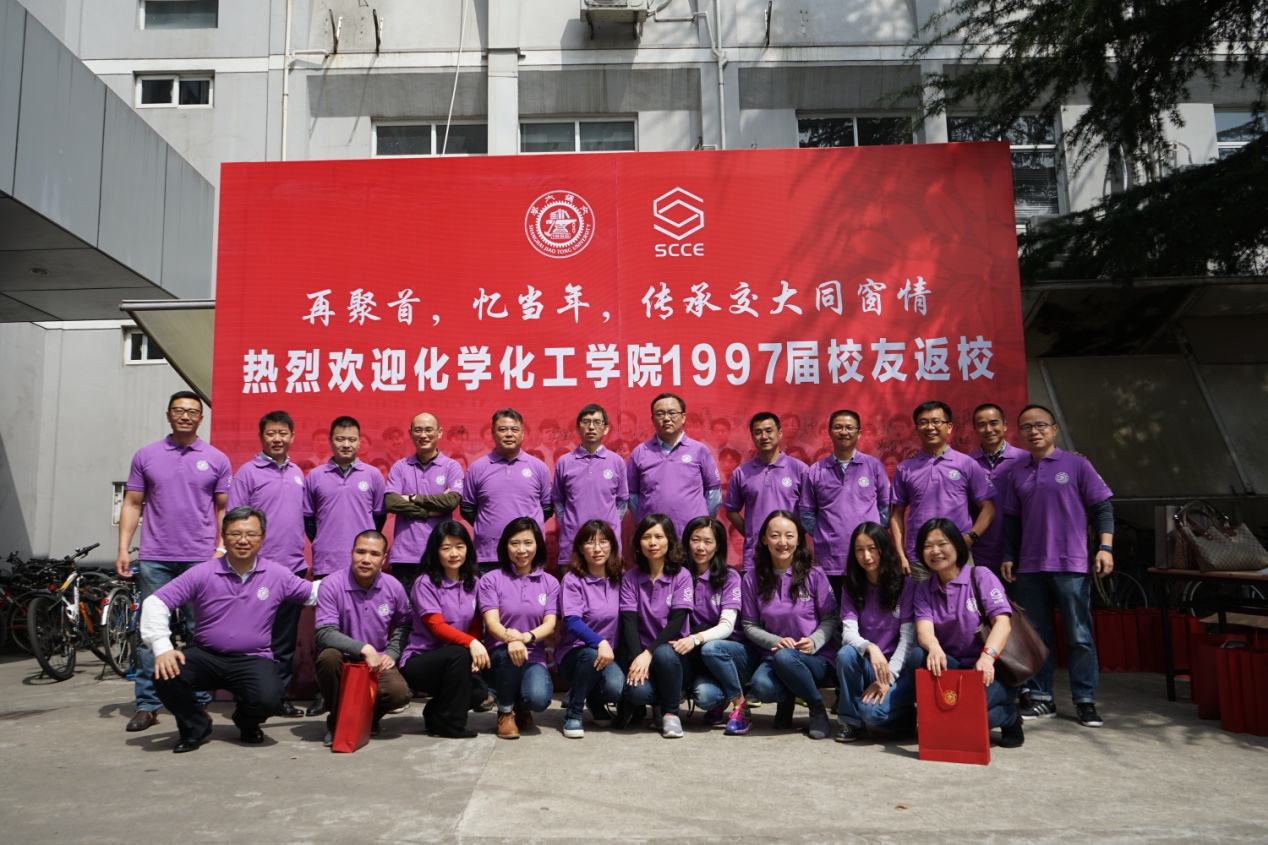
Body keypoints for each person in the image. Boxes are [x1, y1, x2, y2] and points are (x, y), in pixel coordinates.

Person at [141, 507, 319, 752]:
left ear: (262, 538)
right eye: (235, 534)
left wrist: (355, 578)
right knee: (166, 673)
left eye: (251, 534)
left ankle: (246, 722)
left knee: (271, 698)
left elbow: (315, 594)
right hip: (206, 655)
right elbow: (156, 602)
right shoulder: (202, 572)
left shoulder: (277, 574)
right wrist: (162, 647)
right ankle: (196, 726)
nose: (243, 540)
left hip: (253, 658)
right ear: (224, 537)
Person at [116, 390, 231, 733]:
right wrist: (123, 549)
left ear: (201, 418)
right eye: (179, 410)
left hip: (200, 559)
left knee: (200, 631)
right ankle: (147, 704)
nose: (185, 416)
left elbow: (223, 508)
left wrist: (221, 548)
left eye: (192, 411)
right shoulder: (146, 456)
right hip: (156, 558)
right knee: (151, 632)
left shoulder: (216, 458)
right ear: (168, 415)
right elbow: (132, 503)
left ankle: (197, 699)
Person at [1001, 404, 1114, 727]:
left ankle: (1085, 700)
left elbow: (1102, 508)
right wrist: (1008, 556)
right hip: (1030, 567)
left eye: (1040, 425)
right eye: (1026, 427)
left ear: (1054, 429)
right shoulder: (1018, 471)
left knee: (1079, 636)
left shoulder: (1077, 465)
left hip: (1071, 565)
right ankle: (1041, 698)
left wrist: (1105, 547)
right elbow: (1012, 522)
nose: (1034, 431)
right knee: (1037, 637)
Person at [913, 517, 1023, 748]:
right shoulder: (924, 590)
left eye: (942, 543)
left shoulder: (980, 576)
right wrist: (933, 647)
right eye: (927, 546)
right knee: (918, 656)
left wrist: (987, 657)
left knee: (968, 716)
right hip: (954, 668)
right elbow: (924, 630)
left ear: (957, 545)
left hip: (992, 671)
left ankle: (1010, 716)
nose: (935, 551)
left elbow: (1002, 622)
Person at [226, 410, 308, 718]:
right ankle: (248, 698)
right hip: (256, 571)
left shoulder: (298, 473)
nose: (277, 438)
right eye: (271, 433)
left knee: (284, 642)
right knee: (252, 640)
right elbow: (234, 523)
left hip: (292, 569)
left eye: (283, 433)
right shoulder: (247, 473)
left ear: (292, 436)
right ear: (261, 436)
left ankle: (280, 698)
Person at [302, 415, 386, 717]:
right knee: (326, 630)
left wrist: (363, 550)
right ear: (330, 441)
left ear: (360, 442)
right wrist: (327, 541)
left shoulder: (373, 475)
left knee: (366, 627)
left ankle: (371, 686)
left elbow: (378, 519)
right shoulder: (315, 476)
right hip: (328, 563)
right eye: (340, 439)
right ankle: (324, 694)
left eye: (352, 439)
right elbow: (309, 521)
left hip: (365, 565)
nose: (346, 444)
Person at [742, 510, 839, 740]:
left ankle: (816, 708)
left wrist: (814, 641)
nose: (782, 542)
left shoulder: (814, 574)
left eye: (789, 535)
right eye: (775, 535)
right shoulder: (752, 578)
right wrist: (775, 641)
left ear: (798, 539)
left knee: (786, 658)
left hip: (814, 658)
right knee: (761, 686)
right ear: (764, 539)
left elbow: (830, 618)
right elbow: (749, 624)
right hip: (774, 656)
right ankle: (785, 701)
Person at [313, 530, 412, 746]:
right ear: (351, 553)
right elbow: (324, 632)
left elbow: (405, 624)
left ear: (383, 559)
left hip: (377, 662)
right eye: (361, 552)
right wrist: (364, 648)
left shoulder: (393, 586)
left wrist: (392, 653)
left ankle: (367, 719)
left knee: (398, 693)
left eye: (374, 554)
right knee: (328, 657)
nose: (366, 559)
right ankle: (337, 722)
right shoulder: (331, 584)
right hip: (343, 658)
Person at [398, 521, 489, 738]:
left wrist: (473, 648)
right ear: (435, 551)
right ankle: (450, 725)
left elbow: (476, 623)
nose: (454, 553)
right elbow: (437, 626)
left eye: (459, 546)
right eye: (446, 548)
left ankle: (434, 715)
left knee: (478, 692)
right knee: (458, 653)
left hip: (456, 660)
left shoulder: (474, 582)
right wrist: (471, 644)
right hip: (421, 660)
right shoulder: (425, 583)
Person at [889, 401, 995, 581]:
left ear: (949, 427)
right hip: (919, 558)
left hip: (958, 555)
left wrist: (969, 538)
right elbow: (896, 514)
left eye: (936, 422)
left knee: (964, 599)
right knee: (922, 600)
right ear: (916, 428)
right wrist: (901, 554)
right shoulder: (905, 468)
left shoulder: (966, 463)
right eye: (923, 422)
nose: (930, 427)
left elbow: (988, 509)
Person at [834, 522, 918, 742]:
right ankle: (851, 722)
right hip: (871, 663)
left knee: (872, 713)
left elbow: (908, 640)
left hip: (899, 670)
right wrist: (870, 647)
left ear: (884, 548)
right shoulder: (851, 586)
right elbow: (848, 633)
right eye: (859, 550)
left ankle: (906, 717)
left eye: (872, 548)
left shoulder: (906, 585)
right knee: (846, 653)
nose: (866, 556)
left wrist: (887, 677)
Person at [478, 518, 560, 739]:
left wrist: (523, 637)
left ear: (537, 545)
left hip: (532, 655)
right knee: (510, 654)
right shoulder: (491, 579)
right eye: (515, 543)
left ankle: (521, 706)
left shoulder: (550, 583)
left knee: (539, 700)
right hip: (499, 655)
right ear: (505, 546)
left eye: (528, 543)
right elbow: (492, 623)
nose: (521, 550)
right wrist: (511, 640)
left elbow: (550, 624)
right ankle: (505, 712)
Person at [673, 516, 753, 735]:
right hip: (698, 655)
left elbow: (727, 626)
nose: (701, 547)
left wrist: (695, 639)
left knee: (712, 648)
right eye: (695, 540)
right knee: (705, 696)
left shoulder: (729, 577)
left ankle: (741, 706)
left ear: (717, 546)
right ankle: (719, 699)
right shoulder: (679, 576)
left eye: (708, 541)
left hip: (730, 653)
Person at [800, 409, 892, 596]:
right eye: (838, 427)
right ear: (829, 432)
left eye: (849, 427)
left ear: (859, 433)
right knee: (832, 608)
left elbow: (885, 507)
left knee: (867, 606)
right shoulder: (816, 471)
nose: (844, 432)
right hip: (830, 558)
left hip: (868, 558)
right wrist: (825, 535)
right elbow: (806, 513)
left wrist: (873, 537)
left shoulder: (874, 466)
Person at [618, 513, 694, 738]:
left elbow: (677, 621)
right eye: (646, 537)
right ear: (638, 542)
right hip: (642, 654)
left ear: (669, 540)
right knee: (637, 693)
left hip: (673, 657)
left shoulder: (682, 576)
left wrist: (649, 653)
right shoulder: (630, 578)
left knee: (664, 654)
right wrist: (638, 658)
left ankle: (671, 714)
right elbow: (629, 621)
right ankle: (658, 702)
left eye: (659, 537)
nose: (653, 543)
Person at [460, 409, 553, 575]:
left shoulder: (539, 468)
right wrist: (488, 524)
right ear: (493, 433)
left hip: (528, 555)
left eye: (514, 429)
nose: (509, 434)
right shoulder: (477, 468)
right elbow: (467, 508)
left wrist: (526, 529)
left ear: (522, 433)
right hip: (490, 555)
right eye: (503, 429)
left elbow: (547, 507)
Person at [555, 520, 624, 738]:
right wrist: (600, 642)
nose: (597, 549)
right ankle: (574, 713)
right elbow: (572, 621)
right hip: (575, 656)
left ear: (612, 546)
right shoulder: (573, 580)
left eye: (603, 542)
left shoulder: (620, 578)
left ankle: (595, 700)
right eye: (590, 543)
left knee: (616, 688)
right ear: (580, 548)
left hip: (608, 656)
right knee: (590, 654)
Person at [626, 393, 721, 548]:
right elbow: (633, 497)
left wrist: (702, 524)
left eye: (672, 413)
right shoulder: (640, 452)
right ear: (652, 419)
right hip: (654, 540)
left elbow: (713, 494)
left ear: (683, 417)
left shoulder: (699, 450)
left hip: (693, 538)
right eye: (660, 414)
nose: (666, 418)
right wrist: (645, 524)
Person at [384, 412, 464, 594]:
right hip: (405, 557)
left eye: (429, 430)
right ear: (410, 433)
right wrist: (427, 513)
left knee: (439, 608)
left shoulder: (451, 467)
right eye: (418, 430)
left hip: (441, 555)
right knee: (405, 610)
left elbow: (451, 501)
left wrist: (412, 498)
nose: (423, 435)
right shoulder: (400, 467)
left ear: (439, 432)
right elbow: (391, 502)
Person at [723, 412, 809, 571]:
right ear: (752, 436)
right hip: (755, 556)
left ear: (780, 433)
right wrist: (753, 533)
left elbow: (810, 510)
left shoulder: (799, 469)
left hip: (792, 554)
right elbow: (731, 510)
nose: (764, 436)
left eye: (769, 431)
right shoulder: (742, 472)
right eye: (758, 432)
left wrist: (796, 535)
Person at [553, 404, 629, 566]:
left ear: (606, 429)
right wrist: (570, 524)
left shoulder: (616, 462)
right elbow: (559, 502)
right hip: (573, 544)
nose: (591, 427)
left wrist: (609, 526)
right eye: (586, 422)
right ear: (577, 428)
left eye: (597, 422)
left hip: (607, 546)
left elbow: (622, 501)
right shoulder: (564, 462)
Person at [967, 403, 1028, 575]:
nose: (988, 429)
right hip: (982, 552)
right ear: (974, 429)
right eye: (981, 425)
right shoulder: (967, 463)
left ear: (1005, 425)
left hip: (1022, 549)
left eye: (994, 423)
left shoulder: (1026, 459)